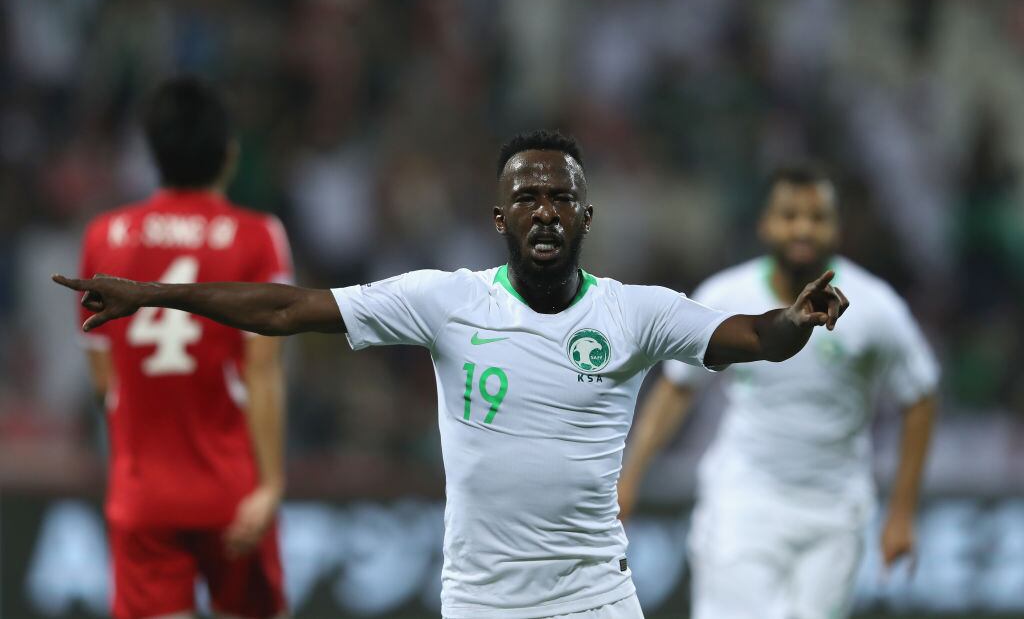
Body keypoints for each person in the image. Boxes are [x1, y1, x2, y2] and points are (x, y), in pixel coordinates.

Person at [56, 130, 849, 619]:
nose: (545, 210)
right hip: (480, 600)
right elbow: (288, 307)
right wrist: (154, 294)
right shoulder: (446, 302)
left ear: (586, 216)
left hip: (595, 598)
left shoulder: (634, 313)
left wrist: (797, 320)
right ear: (500, 217)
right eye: (528, 197)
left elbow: (753, 335)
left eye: (561, 197)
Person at [617, 167, 938, 619]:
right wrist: (629, 478)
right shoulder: (726, 297)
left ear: (837, 228)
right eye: (789, 215)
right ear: (765, 225)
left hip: (835, 515)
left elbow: (920, 395)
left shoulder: (876, 308)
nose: (802, 228)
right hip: (743, 501)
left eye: (816, 217)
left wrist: (902, 512)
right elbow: (678, 388)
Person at [75, 77, 291, 619]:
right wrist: (270, 485)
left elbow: (103, 383)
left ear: (153, 153)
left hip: (143, 494)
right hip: (232, 491)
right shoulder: (258, 236)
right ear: (229, 153)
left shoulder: (104, 236)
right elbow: (262, 372)